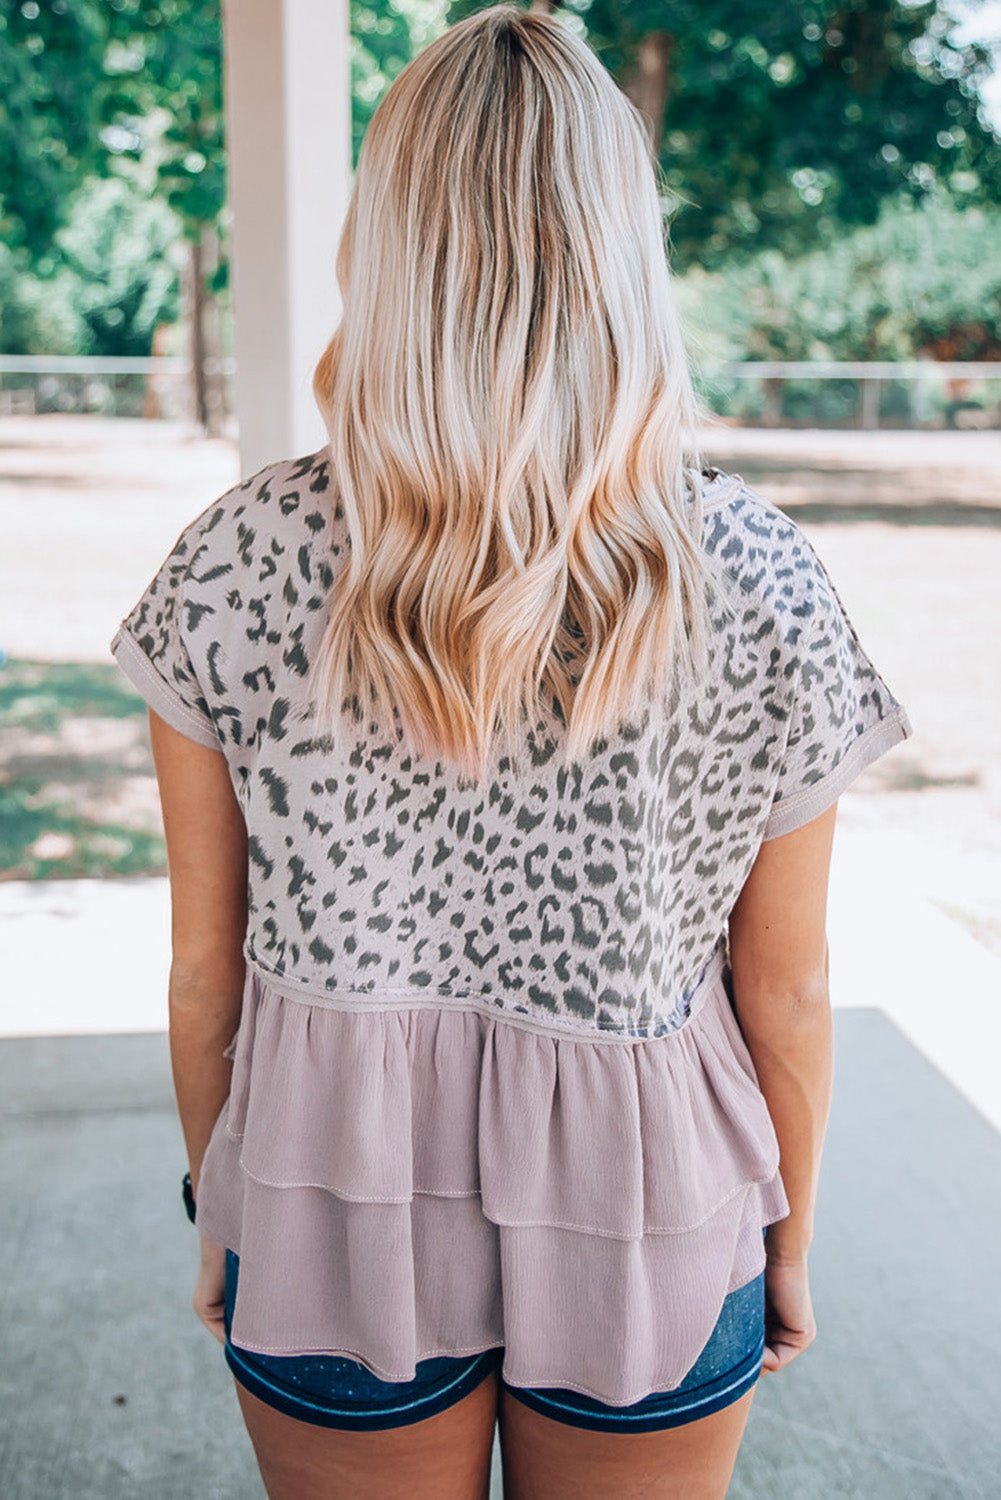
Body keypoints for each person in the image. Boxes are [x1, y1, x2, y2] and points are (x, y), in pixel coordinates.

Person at [109, 6, 913, 1497]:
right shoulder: (757, 575)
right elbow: (786, 986)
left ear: (389, 234)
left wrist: (226, 1194)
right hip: (653, 1207)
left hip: (333, 1209)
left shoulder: (232, 560)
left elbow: (203, 969)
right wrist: (787, 1231)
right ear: (622, 248)